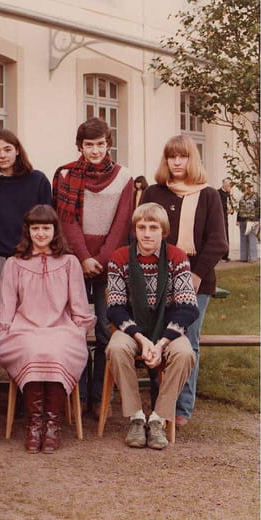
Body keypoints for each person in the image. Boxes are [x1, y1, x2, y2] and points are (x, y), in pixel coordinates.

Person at [0, 205, 96, 453]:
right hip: (24, 328)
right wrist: (4, 332)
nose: (40, 233)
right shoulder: (14, 263)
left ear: (55, 230)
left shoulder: (70, 262)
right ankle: (35, 424)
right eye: (35, 228)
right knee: (34, 350)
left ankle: (52, 425)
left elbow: (79, 305)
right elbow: (7, 305)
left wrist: (79, 330)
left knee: (55, 351)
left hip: (61, 327)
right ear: (28, 231)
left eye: (46, 228)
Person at [141, 135, 227, 426]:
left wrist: (196, 274)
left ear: (193, 159)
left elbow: (218, 241)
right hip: (156, 278)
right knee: (158, 337)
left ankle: (181, 407)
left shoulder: (209, 195)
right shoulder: (153, 192)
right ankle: (159, 402)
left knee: (187, 341)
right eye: (172, 156)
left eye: (183, 156)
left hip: (196, 280)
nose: (177, 162)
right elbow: (139, 234)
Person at [52, 117, 134, 414]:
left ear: (108, 144)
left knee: (103, 328)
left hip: (110, 262)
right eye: (89, 145)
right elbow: (66, 220)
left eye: (100, 144)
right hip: (74, 260)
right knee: (72, 327)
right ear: (80, 146)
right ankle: (75, 393)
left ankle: (100, 396)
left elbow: (122, 223)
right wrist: (84, 257)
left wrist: (100, 259)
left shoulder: (124, 177)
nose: (95, 150)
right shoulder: (65, 174)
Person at [105, 203, 198, 449]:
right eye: (142, 227)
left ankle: (158, 418)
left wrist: (161, 343)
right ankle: (136, 417)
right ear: (135, 230)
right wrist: (142, 339)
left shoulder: (177, 257)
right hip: (132, 330)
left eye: (153, 227)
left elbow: (188, 307)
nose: (147, 233)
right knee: (116, 348)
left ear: (163, 231)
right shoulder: (119, 258)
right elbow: (115, 307)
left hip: (168, 330)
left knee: (185, 353)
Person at [0, 129, 52, 285]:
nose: (2, 155)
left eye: (7, 149)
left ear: (17, 150)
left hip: (30, 256)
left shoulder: (38, 181)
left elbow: (49, 222)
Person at [236, 182, 259, 262]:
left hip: (251, 220)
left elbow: (258, 209)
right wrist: (237, 220)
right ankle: (243, 258)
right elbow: (239, 209)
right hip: (242, 220)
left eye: (246, 188)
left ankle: (253, 258)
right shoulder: (241, 198)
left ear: (249, 188)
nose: (245, 189)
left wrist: (257, 220)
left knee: (251, 238)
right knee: (243, 238)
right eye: (244, 188)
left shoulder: (255, 197)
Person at [217, 177, 233, 261]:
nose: (230, 187)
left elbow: (230, 204)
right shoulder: (217, 193)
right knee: (219, 236)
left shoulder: (228, 194)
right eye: (229, 186)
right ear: (225, 185)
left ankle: (225, 255)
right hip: (219, 218)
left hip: (225, 218)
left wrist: (232, 210)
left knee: (226, 235)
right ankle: (219, 255)